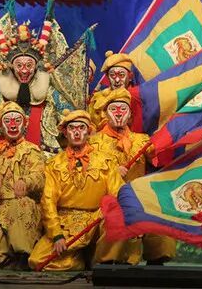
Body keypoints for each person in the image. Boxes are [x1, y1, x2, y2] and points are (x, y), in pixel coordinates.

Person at [27, 110, 128, 271]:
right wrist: (57, 234)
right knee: (37, 262)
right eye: (72, 128)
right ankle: (79, 259)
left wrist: (109, 210)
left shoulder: (106, 161)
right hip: (67, 222)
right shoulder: (54, 164)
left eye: (81, 128)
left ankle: (102, 262)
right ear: (65, 133)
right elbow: (48, 201)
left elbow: (118, 193)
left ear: (88, 131)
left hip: (97, 218)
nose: (76, 132)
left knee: (116, 217)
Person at [0, 21, 73, 158]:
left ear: (36, 67)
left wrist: (81, 125)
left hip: (43, 153)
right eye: (19, 65)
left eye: (29, 65)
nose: (24, 70)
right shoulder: (2, 92)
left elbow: (68, 116)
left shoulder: (48, 92)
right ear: (12, 67)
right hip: (7, 151)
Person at [0, 101, 45, 268]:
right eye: (7, 121)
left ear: (24, 124)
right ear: (1, 126)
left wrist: (26, 181)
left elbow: (40, 176)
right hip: (1, 211)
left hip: (24, 207)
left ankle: (24, 253)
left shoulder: (32, 150)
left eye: (17, 120)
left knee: (20, 204)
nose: (13, 125)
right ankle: (14, 258)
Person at [89, 88, 151, 264]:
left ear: (130, 114)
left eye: (123, 109)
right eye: (113, 109)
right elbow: (89, 173)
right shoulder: (94, 142)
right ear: (105, 113)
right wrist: (112, 173)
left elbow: (160, 154)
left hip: (138, 198)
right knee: (116, 216)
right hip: (106, 199)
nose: (118, 113)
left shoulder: (142, 140)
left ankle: (154, 260)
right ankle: (107, 262)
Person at [88, 51, 143, 132]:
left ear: (130, 76)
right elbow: (91, 123)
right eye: (112, 75)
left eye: (121, 75)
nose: (117, 80)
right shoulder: (97, 99)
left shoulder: (138, 97)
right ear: (107, 77)